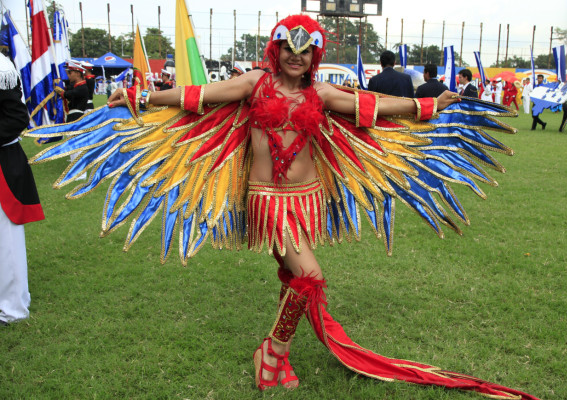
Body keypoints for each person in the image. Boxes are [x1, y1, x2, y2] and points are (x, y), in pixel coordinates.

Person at [31, 14, 538, 400]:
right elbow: (198, 95)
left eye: (304, 51)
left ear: (314, 55)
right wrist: (141, 98)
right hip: (268, 201)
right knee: (310, 277)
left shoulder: (321, 91)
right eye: (288, 50)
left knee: (298, 275)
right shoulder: (256, 84)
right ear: (276, 51)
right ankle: (271, 351)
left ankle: (277, 354)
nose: (295, 58)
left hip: (308, 198)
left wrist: (428, 106)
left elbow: (373, 108)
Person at [0, 53, 45, 326]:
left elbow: (17, 118)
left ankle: (13, 308)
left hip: (3, 164)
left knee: (7, 241)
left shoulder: (1, 68)